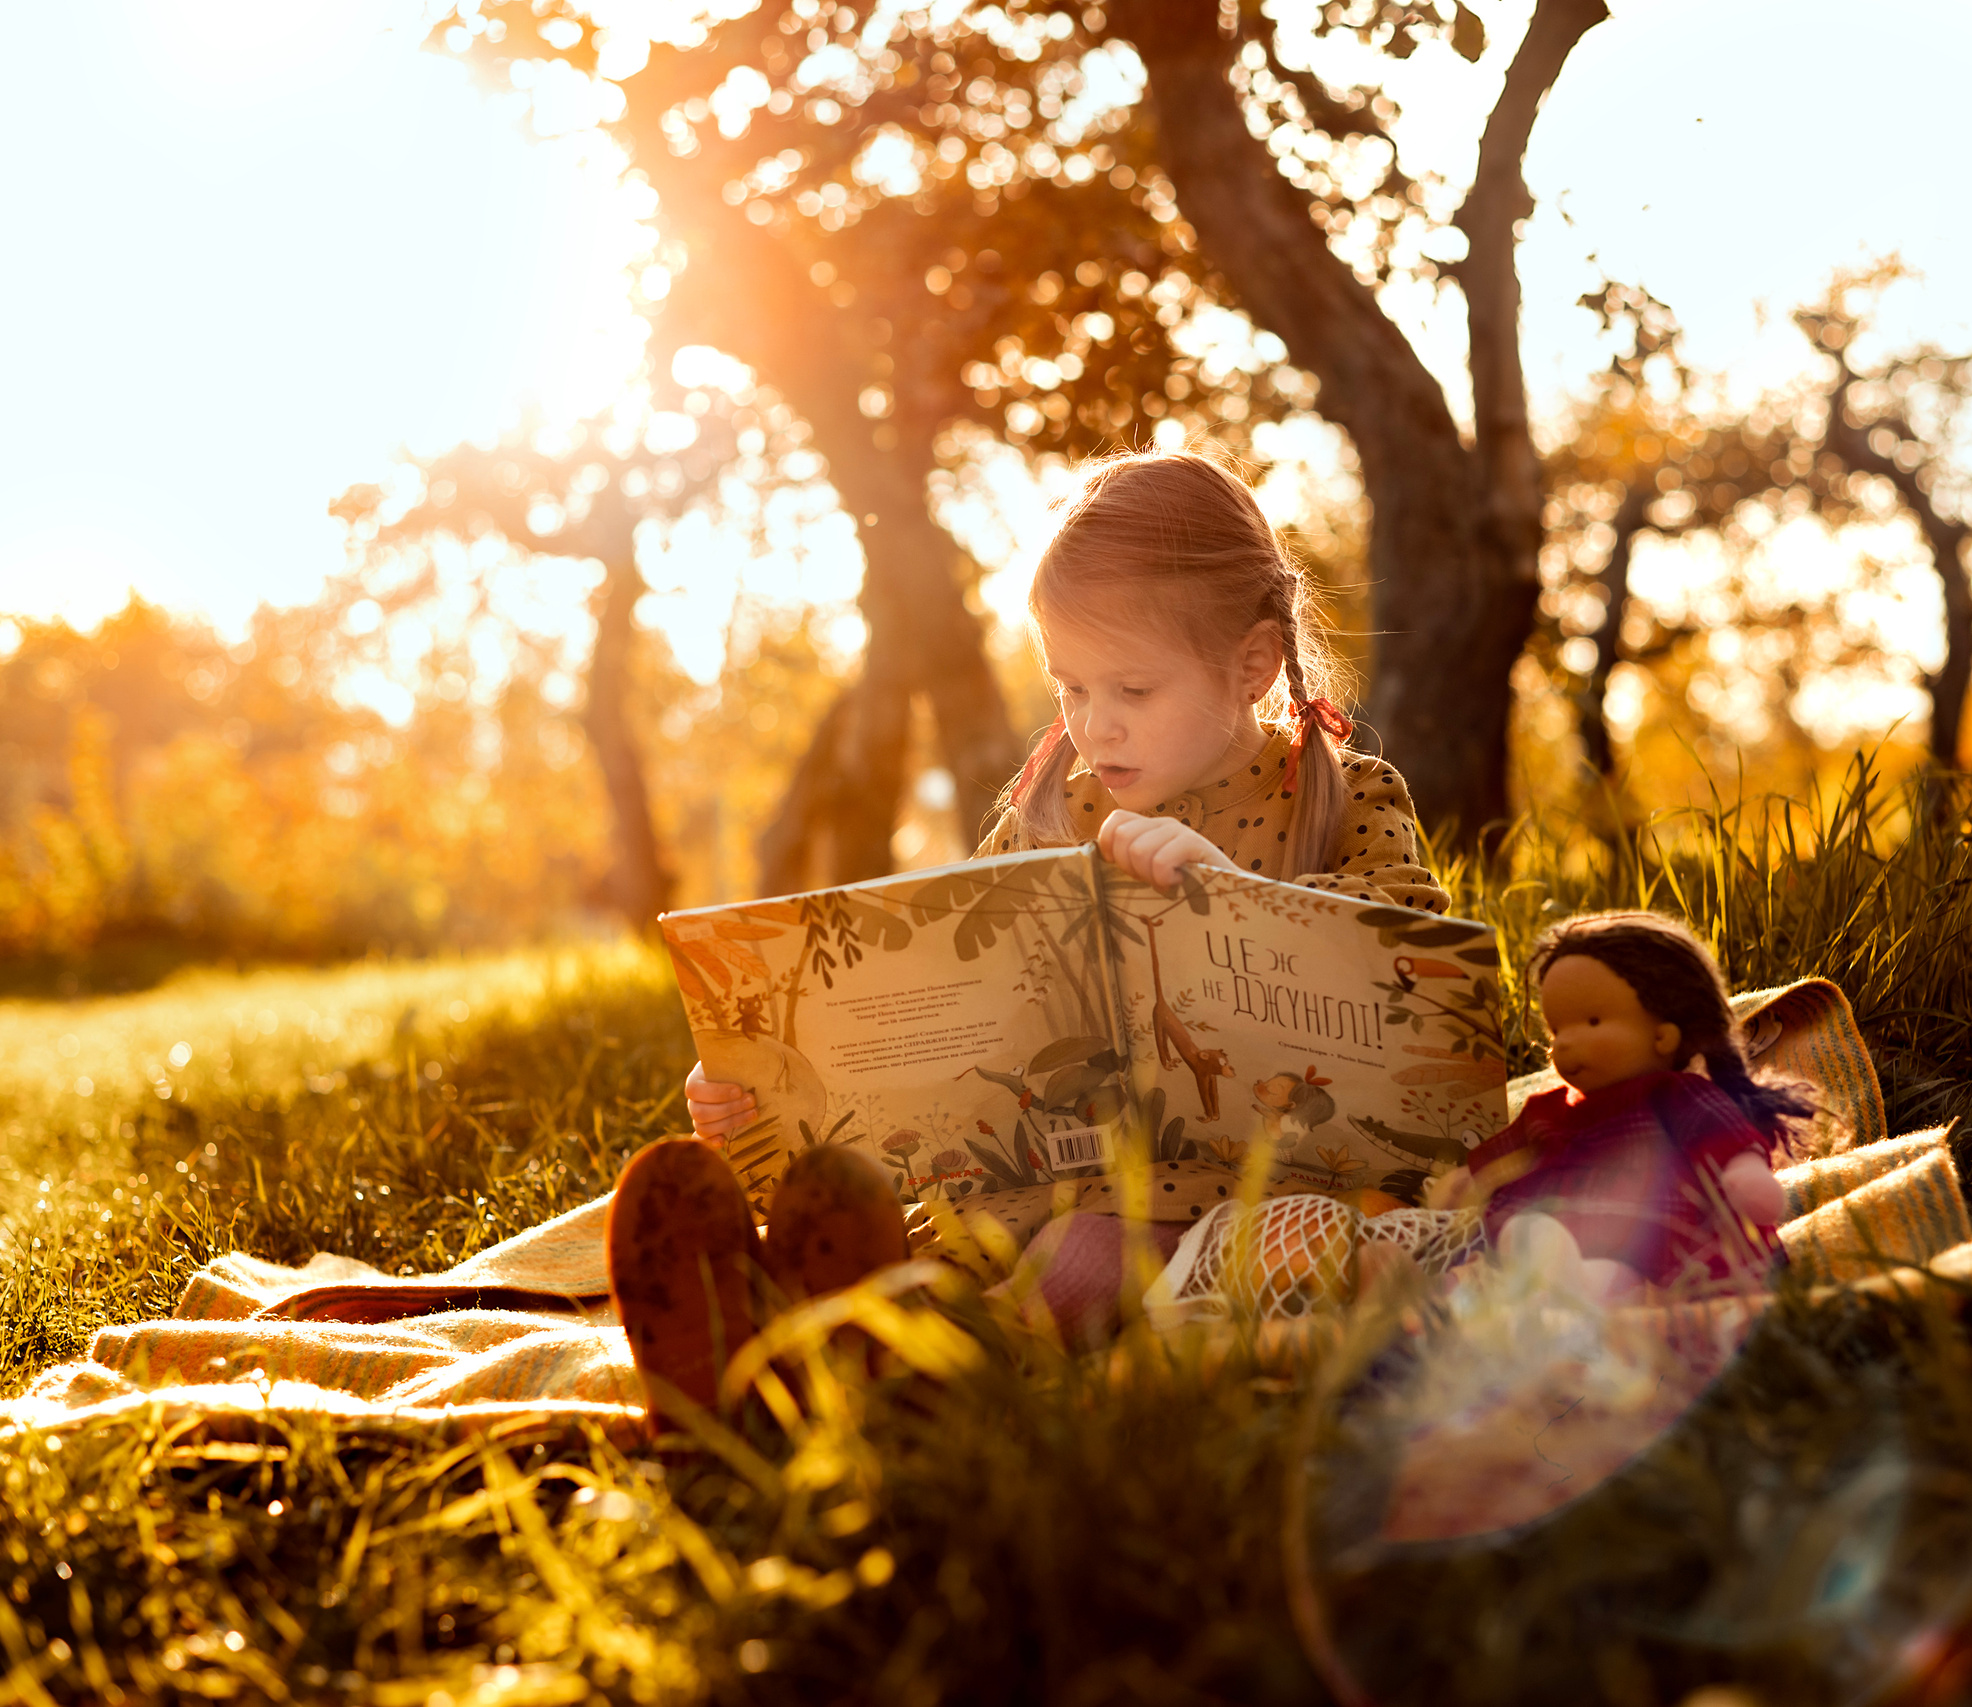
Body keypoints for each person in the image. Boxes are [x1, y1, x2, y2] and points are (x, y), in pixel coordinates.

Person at [617, 450, 1449, 1416]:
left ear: (1253, 663)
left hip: (1224, 1210)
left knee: (1087, 1265)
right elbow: (939, 1002)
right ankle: (776, 1318)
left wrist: (1226, 903)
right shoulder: (1059, 804)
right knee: (929, 1232)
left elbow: (1418, 1000)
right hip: (1021, 1198)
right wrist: (764, 1084)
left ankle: (849, 1377)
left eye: (1133, 690)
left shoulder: (1347, 798)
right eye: (1071, 688)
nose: (1098, 727)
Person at [1447, 910, 1807, 1297]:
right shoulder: (1550, 1111)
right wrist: (1461, 1185)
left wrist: (1746, 1173)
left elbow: (1724, 1137)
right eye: (1556, 1030)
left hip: (1650, 1242)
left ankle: (1580, 1294)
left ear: (1663, 1036)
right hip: (1553, 1234)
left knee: (1578, 1262)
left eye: (1592, 1021)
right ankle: (1538, 1290)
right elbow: (1497, 1166)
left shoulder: (1676, 1096)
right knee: (1521, 1237)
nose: (1562, 1043)